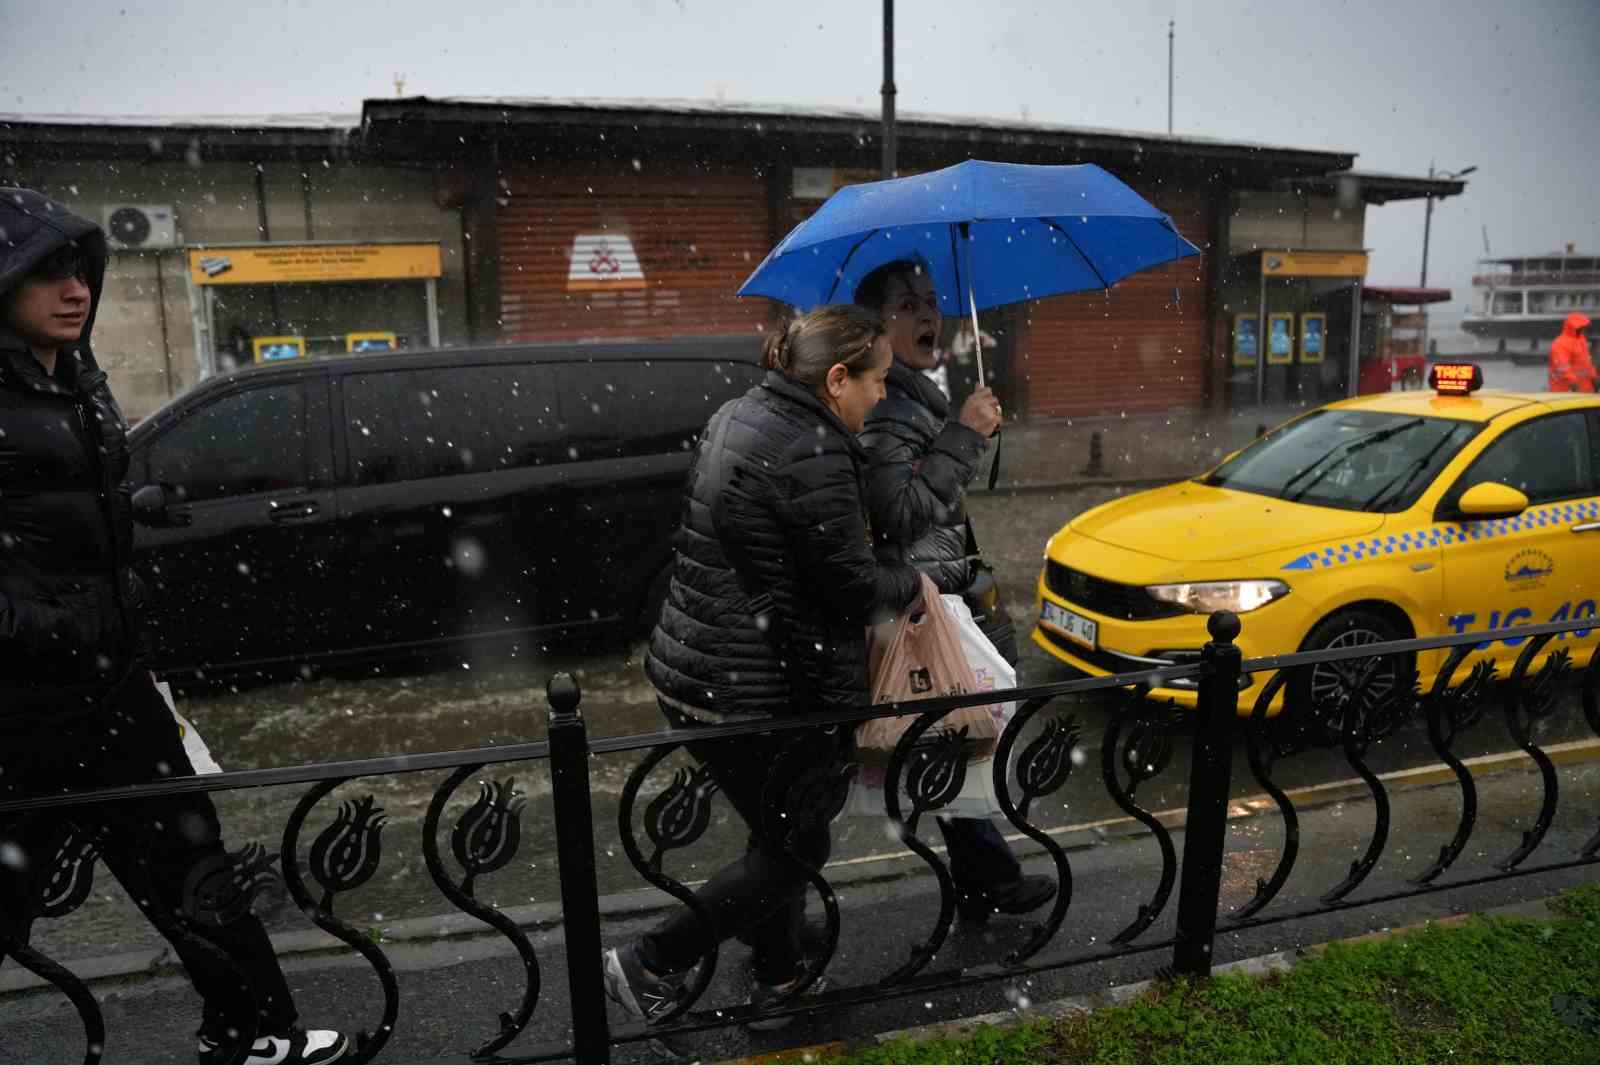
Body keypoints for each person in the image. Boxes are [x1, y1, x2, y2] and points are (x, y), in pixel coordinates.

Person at [0, 188, 348, 1065]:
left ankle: (256, 1033)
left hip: (115, 684)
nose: (73, 287)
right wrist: (47, 629)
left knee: (193, 863)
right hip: (20, 705)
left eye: (78, 268)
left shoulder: (77, 379)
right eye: (46, 271)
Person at [605, 305, 921, 1029]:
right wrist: (919, 578)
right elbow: (855, 589)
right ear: (837, 377)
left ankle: (778, 974)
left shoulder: (741, 412)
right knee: (798, 843)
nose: (882, 397)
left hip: (697, 675)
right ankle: (649, 961)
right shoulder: (814, 446)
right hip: (764, 691)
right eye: (877, 381)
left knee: (773, 825)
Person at [854, 259, 1056, 923]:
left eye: (933, 302)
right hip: (923, 602)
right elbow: (899, 514)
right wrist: (965, 432)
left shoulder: (912, 391)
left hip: (934, 593)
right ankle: (775, 914)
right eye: (908, 304)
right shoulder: (887, 408)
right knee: (949, 734)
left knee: (947, 738)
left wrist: (967, 432)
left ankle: (986, 877)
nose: (928, 316)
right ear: (876, 324)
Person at [1548, 312, 1596, 393]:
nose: (1584, 330)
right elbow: (1563, 367)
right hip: (1565, 390)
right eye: (1581, 328)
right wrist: (1574, 384)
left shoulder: (1581, 339)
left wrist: (1594, 377)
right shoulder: (1560, 344)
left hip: (1585, 388)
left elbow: (1587, 361)